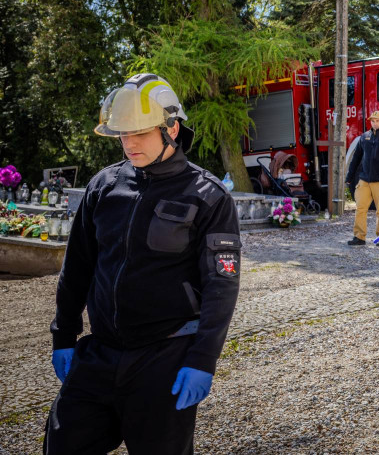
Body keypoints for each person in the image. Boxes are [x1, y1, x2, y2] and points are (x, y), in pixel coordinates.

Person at [46, 74, 241, 454]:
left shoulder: (208, 197)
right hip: (99, 355)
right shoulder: (104, 186)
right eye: (122, 134)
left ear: (172, 127)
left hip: (164, 360)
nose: (128, 144)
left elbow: (222, 285)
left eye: (139, 133)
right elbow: (77, 269)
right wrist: (63, 336)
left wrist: (203, 359)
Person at [345, 110, 379, 246]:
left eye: (377, 120)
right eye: (372, 121)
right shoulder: (364, 137)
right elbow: (356, 158)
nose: (374, 123)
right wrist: (349, 176)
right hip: (364, 180)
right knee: (360, 209)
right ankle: (359, 237)